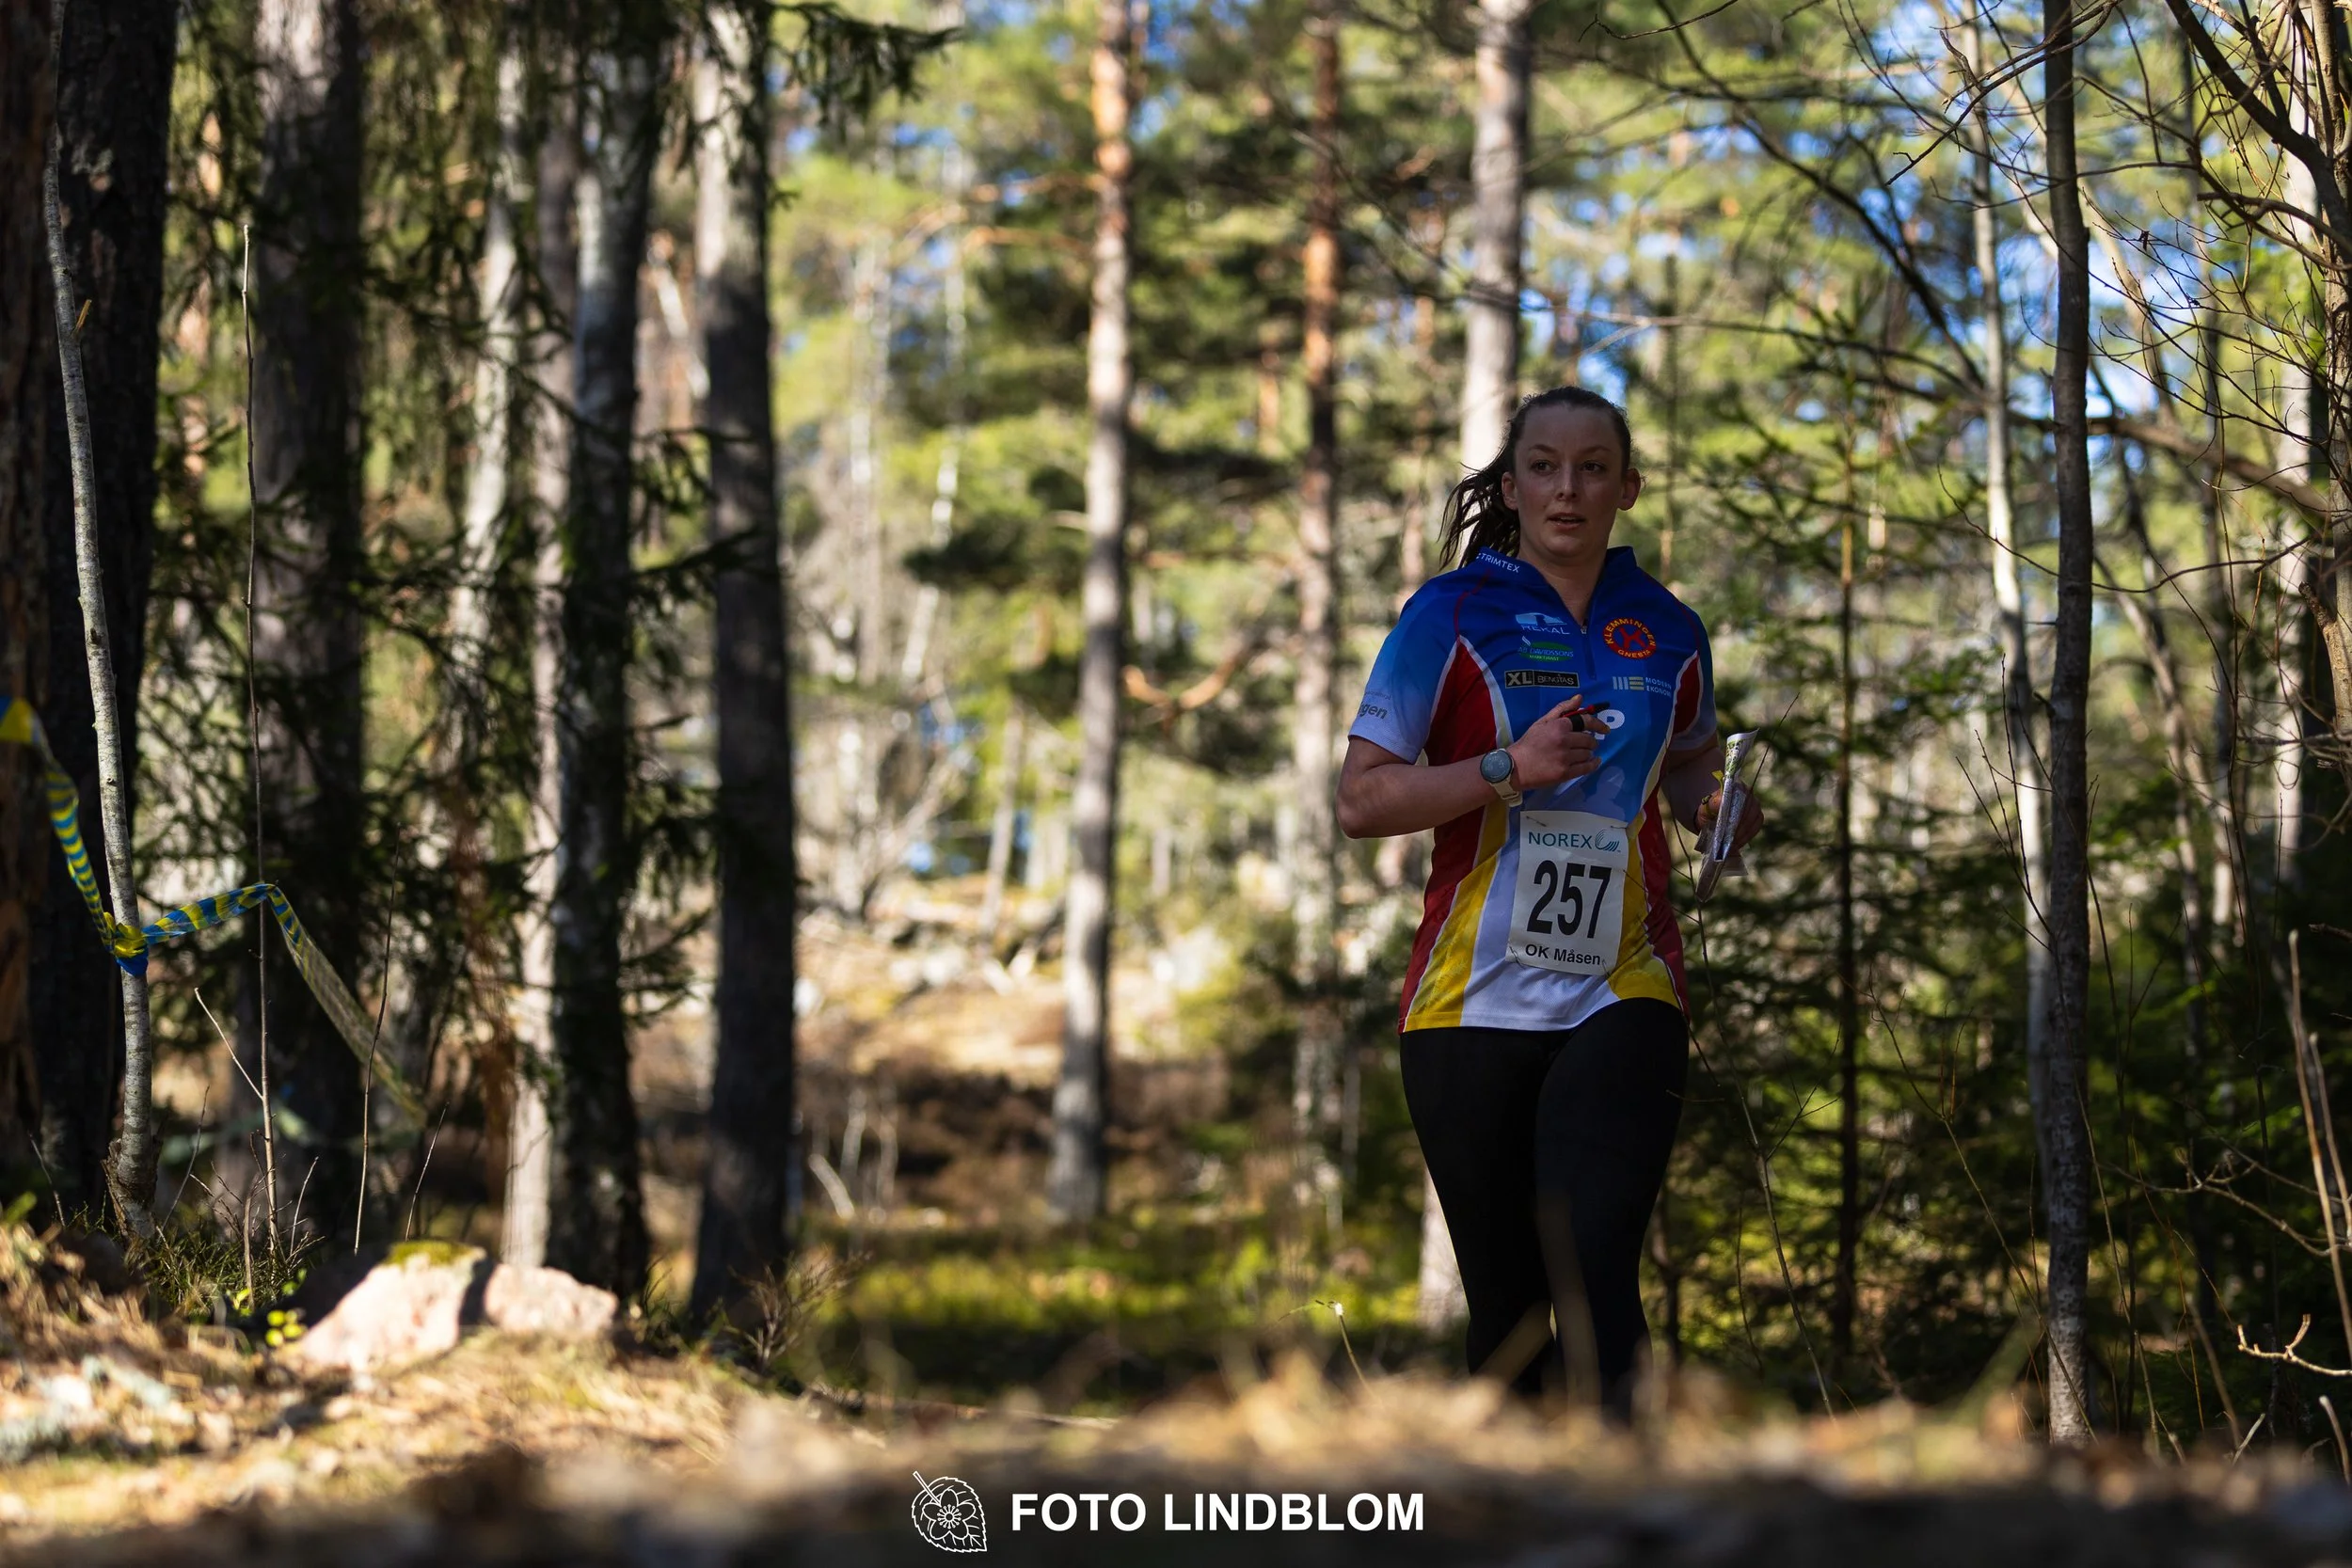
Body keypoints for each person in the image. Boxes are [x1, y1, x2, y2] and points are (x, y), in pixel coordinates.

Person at [1335, 385, 1760, 1414]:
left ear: (1628, 488)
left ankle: (1629, 1482)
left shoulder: (1669, 628)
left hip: (1625, 982)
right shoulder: (1447, 614)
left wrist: (1717, 807)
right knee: (1510, 1310)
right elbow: (1362, 800)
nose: (1567, 488)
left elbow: (1690, 761)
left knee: (1597, 1255)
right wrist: (1507, 768)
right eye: (1543, 466)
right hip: (1467, 999)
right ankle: (1516, 1491)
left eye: (1592, 468)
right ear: (1513, 486)